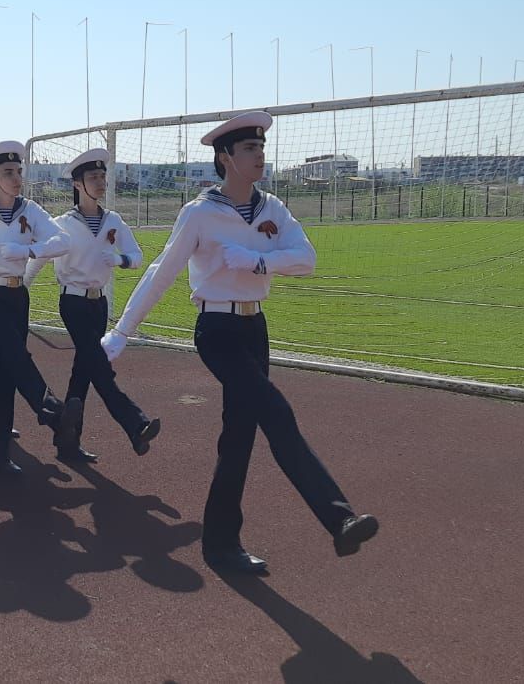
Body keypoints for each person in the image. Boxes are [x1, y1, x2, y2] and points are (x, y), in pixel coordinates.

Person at [104, 111, 378, 575]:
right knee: (277, 413)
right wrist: (122, 331)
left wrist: (257, 262)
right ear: (225, 157)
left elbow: (305, 260)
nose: (260, 156)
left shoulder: (272, 207)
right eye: (250, 149)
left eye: (262, 149)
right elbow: (162, 272)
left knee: (239, 438)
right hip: (217, 331)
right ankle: (339, 517)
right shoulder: (200, 212)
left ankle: (220, 543)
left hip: (255, 329)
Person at [23, 148, 160, 459]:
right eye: (93, 178)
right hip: (72, 303)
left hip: (99, 305)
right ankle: (135, 424)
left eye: (102, 177)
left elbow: (137, 258)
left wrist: (118, 259)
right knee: (99, 368)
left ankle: (67, 441)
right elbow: (38, 259)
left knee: (83, 373)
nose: (100, 183)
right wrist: (19, 293)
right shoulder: (62, 224)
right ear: (77, 184)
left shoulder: (114, 220)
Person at [0, 140, 83, 473]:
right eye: (8, 173)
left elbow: (63, 240)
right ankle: (50, 409)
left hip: (18, 294)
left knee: (7, 367)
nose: (16, 179)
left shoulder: (29, 209)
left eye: (18, 172)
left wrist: (31, 251)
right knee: (16, 354)